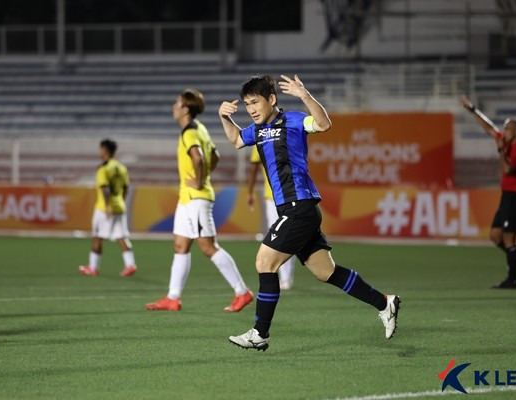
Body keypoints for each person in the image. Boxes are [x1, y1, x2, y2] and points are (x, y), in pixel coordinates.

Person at [219, 75, 400, 351]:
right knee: (325, 272)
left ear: (272, 99)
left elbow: (324, 124)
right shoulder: (257, 130)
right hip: (295, 209)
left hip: (299, 207)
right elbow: (235, 140)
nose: (251, 109)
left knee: (264, 263)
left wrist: (304, 95)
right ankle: (385, 303)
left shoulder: (292, 120)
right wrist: (224, 117)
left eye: (255, 102)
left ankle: (260, 333)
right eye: (246, 105)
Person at [145, 88, 253, 313]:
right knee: (181, 245)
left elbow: (200, 157)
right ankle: (173, 298)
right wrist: (203, 176)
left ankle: (242, 292)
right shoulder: (199, 129)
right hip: (188, 199)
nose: (174, 106)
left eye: (177, 103)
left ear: (186, 109)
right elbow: (215, 156)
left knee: (207, 246)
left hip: (195, 198)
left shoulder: (189, 133)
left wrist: (200, 180)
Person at [461, 97, 516, 289]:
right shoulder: (506, 141)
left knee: (509, 238)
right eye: (504, 128)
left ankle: (512, 279)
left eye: (509, 129)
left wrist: (501, 150)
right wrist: (472, 110)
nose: (504, 132)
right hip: (508, 196)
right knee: (495, 236)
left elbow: (507, 169)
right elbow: (488, 127)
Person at [78, 139, 137, 277]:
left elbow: (104, 189)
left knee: (97, 237)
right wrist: (119, 201)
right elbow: (126, 187)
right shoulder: (121, 168)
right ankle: (130, 264)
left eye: (100, 149)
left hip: (103, 209)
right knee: (121, 236)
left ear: (105, 151)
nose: (99, 152)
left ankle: (93, 267)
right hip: (120, 206)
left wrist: (108, 206)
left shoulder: (103, 169)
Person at [248, 146, 295, 290]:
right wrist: (250, 192)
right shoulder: (260, 138)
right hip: (273, 196)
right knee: (279, 236)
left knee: (285, 236)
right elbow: (254, 168)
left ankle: (285, 277)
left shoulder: (285, 135)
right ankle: (283, 276)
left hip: (288, 195)